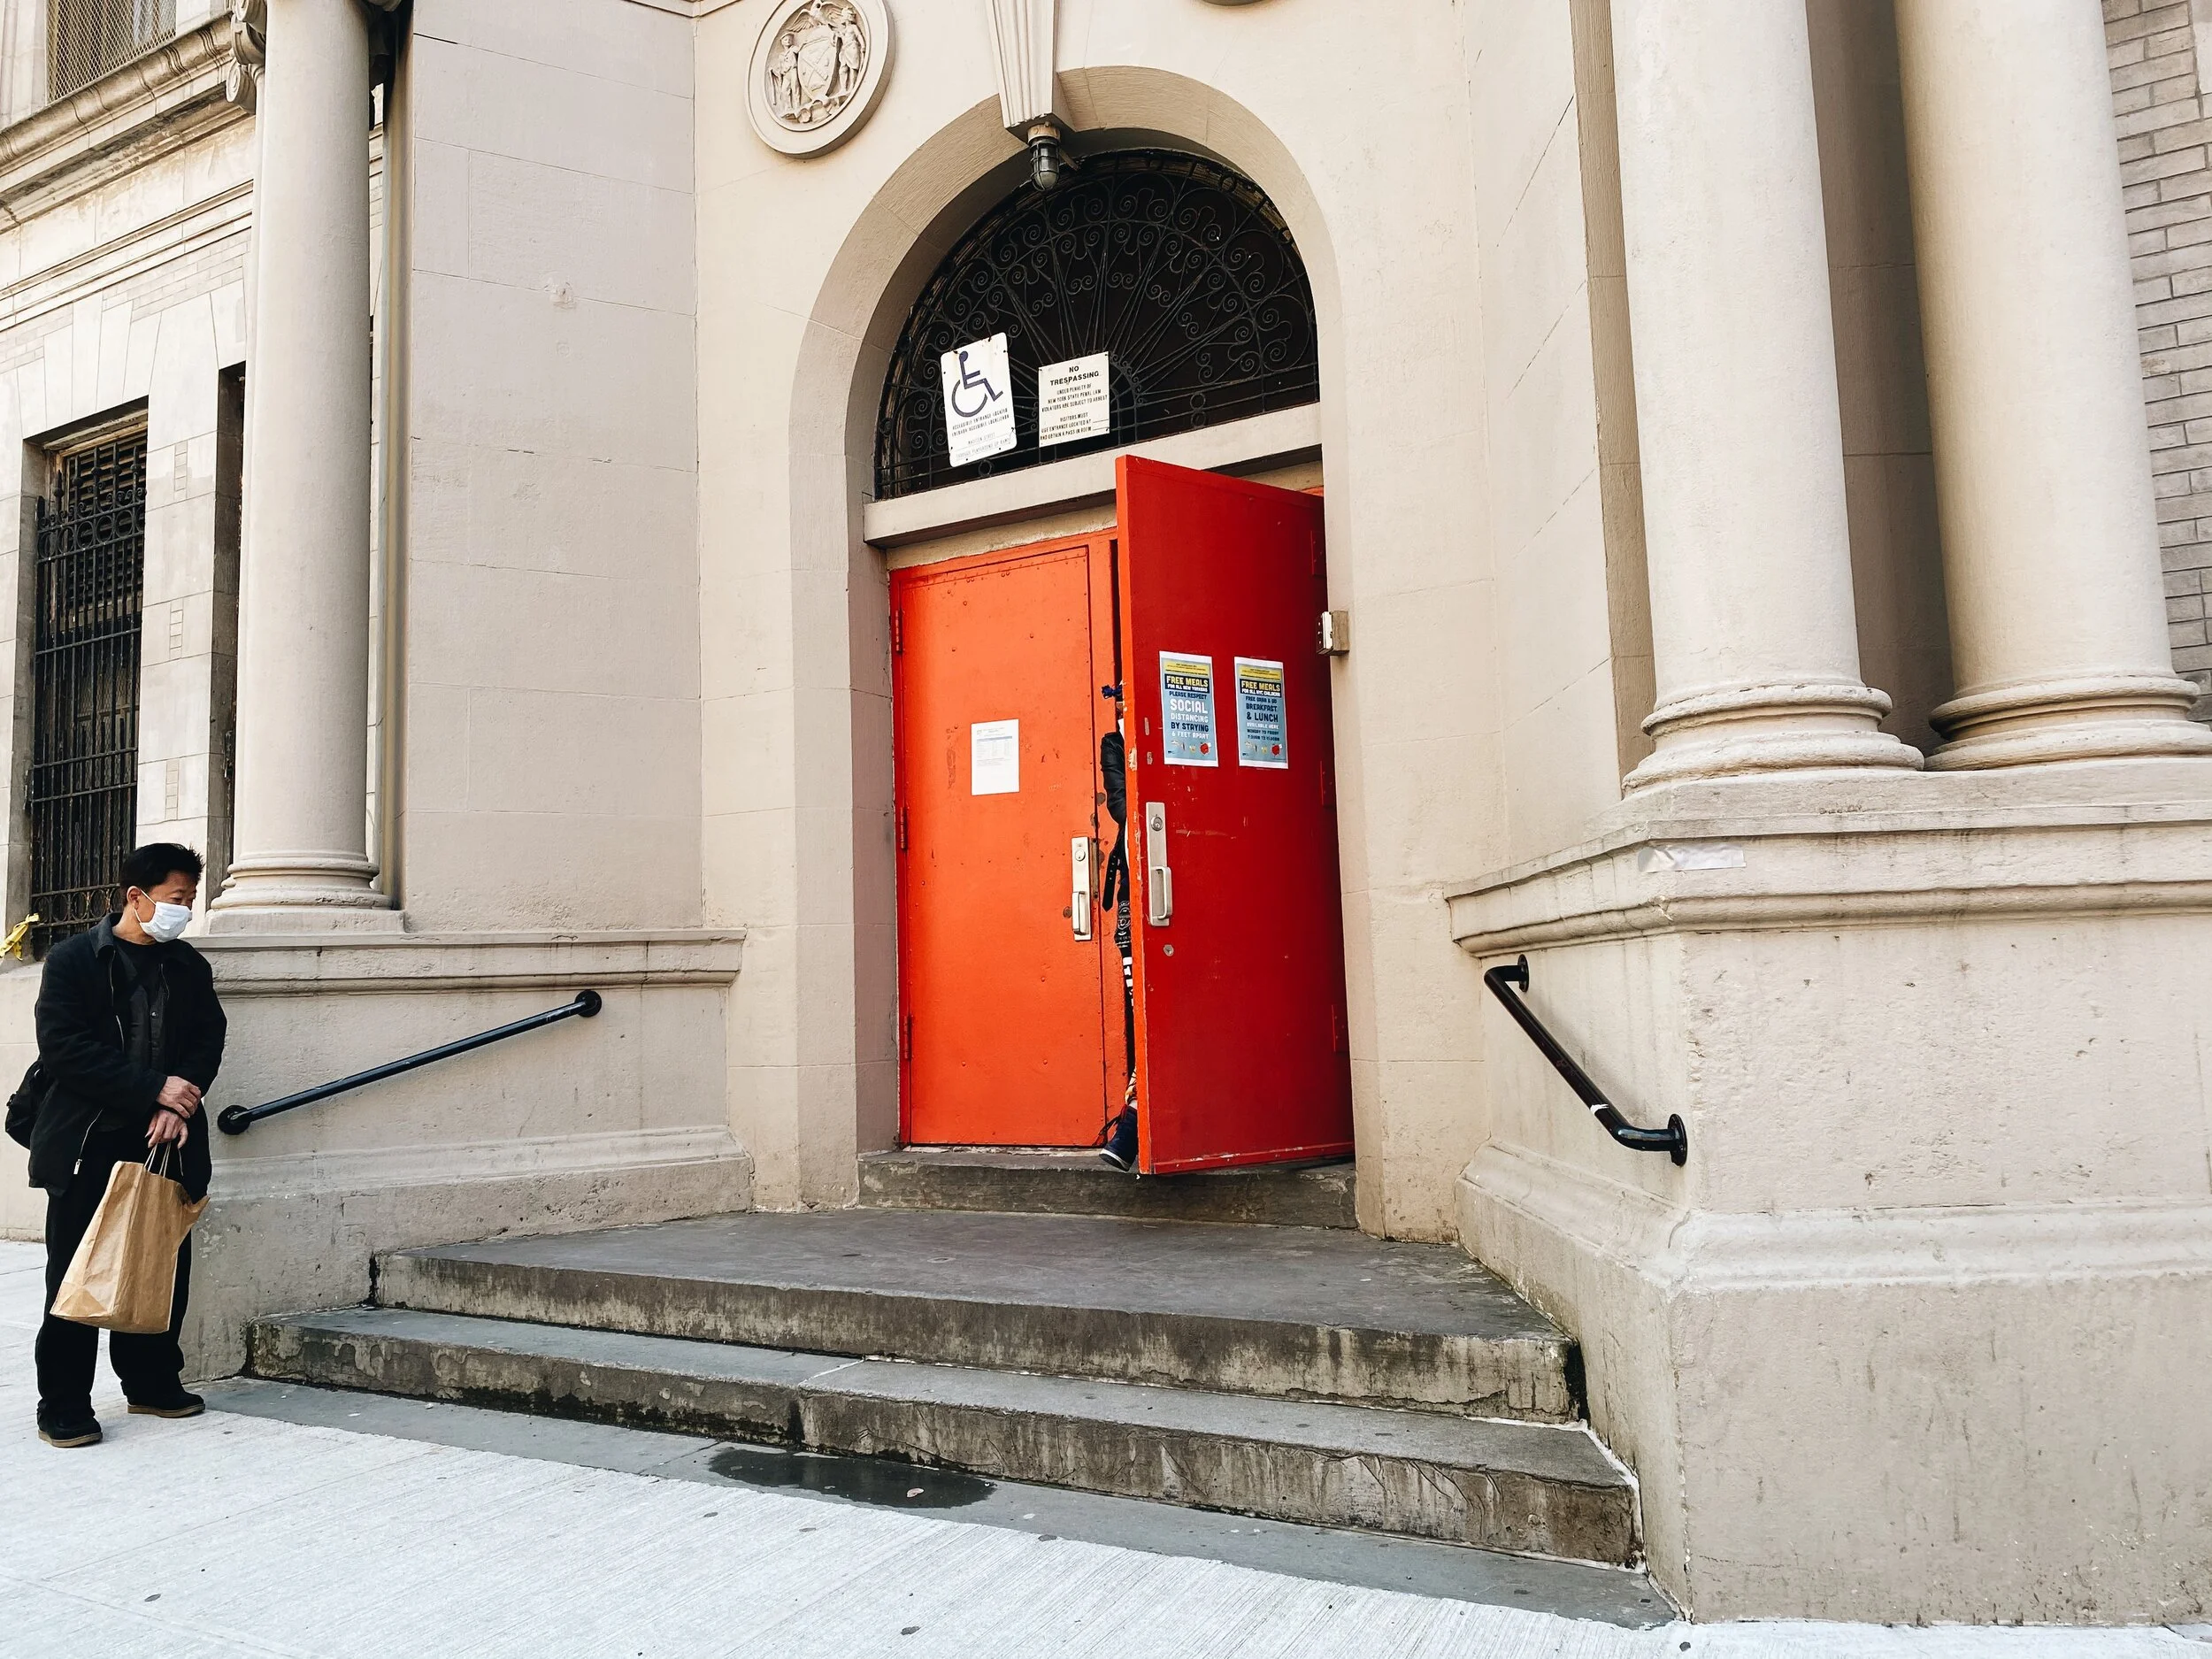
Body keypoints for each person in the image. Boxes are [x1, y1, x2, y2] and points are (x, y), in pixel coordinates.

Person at [26, 844, 225, 1448]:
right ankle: (64, 1403)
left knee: (160, 1264)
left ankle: (151, 1382)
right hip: (89, 1140)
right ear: (135, 896)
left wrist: (177, 1101)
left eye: (191, 898)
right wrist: (152, 1091)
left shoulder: (188, 965)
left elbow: (208, 1039)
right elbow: (66, 1049)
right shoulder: (74, 960)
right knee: (76, 1272)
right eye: (176, 898)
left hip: (168, 1140)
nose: (185, 909)